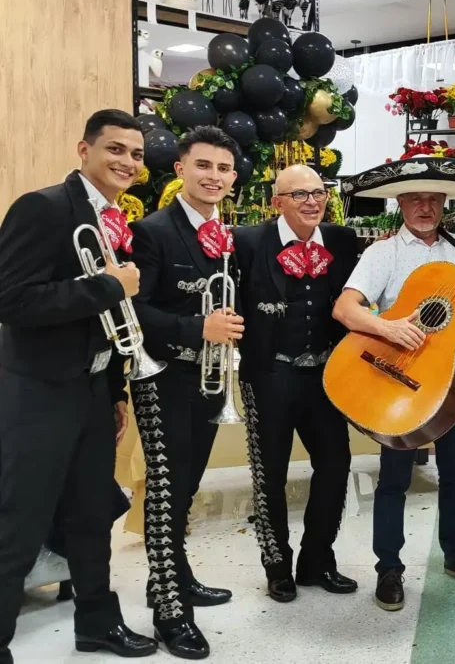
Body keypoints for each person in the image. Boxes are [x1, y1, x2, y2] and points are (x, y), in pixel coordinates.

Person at [0, 109, 158, 661]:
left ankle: (97, 623)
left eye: (136, 154)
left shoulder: (116, 220)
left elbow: (114, 325)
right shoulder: (41, 208)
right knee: (18, 523)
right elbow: (12, 302)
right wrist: (107, 286)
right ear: (83, 150)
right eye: (115, 149)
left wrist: (114, 392)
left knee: (92, 517)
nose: (128, 163)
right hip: (38, 394)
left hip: (91, 391)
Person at [333, 158, 455, 612]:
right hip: (398, 381)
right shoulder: (383, 254)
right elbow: (345, 309)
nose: (425, 207)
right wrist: (389, 329)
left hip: (452, 381)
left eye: (433, 199)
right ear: (401, 202)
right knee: (393, 480)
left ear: (445, 204)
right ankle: (388, 567)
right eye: (415, 198)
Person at [128, 125, 242, 659]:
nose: (212, 176)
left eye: (222, 168)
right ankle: (170, 611)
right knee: (167, 492)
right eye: (203, 166)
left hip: (207, 380)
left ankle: (173, 576)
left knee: (188, 483)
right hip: (164, 378)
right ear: (180, 170)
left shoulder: (224, 234)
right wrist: (197, 329)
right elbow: (135, 309)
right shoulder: (152, 231)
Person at [233, 164, 360, 603]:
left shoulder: (343, 241)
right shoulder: (248, 242)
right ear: (277, 202)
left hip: (325, 375)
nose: (312, 201)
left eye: (319, 192)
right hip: (270, 374)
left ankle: (317, 559)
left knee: (336, 463)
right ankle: (277, 565)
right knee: (270, 473)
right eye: (300, 194)